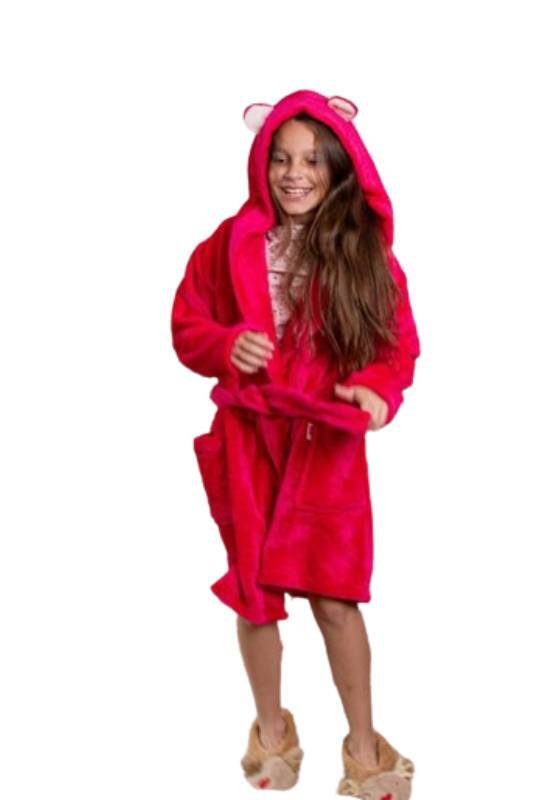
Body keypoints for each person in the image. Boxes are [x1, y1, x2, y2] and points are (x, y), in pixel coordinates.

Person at [170, 89, 420, 797]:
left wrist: (374, 389)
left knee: (335, 598)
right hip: (250, 438)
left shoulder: (366, 254)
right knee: (254, 595)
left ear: (339, 165)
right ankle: (272, 729)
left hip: (325, 445)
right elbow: (187, 323)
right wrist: (225, 344)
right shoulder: (230, 243)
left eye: (311, 160)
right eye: (280, 159)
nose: (294, 174)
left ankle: (364, 746)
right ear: (262, 163)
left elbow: (397, 347)